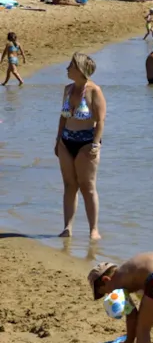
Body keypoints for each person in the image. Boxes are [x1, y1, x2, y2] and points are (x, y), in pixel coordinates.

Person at [57, 53, 106, 239]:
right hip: (66, 141)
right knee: (69, 185)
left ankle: (93, 229)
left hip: (87, 143)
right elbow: (63, 116)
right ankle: (67, 227)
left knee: (88, 186)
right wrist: (58, 140)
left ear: (80, 69)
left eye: (71, 65)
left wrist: (95, 144)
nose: (67, 68)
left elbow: (101, 120)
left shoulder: (94, 91)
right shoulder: (68, 89)